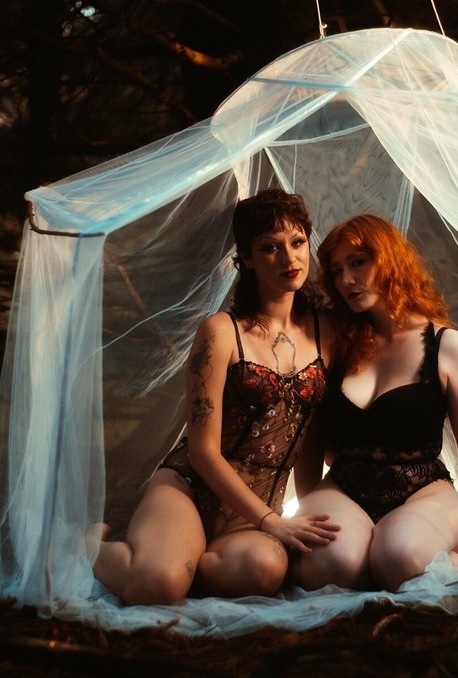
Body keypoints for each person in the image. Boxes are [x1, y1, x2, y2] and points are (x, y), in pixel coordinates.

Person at [92, 188, 340, 605]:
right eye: (270, 247)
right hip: (191, 489)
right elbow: (203, 451)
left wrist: (309, 514)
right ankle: (90, 547)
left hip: (253, 513)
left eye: (298, 242)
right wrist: (270, 521)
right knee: (158, 586)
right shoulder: (221, 332)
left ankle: (182, 558)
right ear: (246, 258)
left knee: (264, 571)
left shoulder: (326, 332)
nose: (289, 258)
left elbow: (310, 435)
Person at [290, 214, 458, 593]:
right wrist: (310, 510)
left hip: (423, 491)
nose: (345, 280)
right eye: (337, 270)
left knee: (400, 559)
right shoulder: (333, 345)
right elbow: (309, 443)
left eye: (357, 263)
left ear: (390, 259)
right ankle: (370, 553)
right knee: (328, 566)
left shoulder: (447, 346)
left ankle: (449, 555)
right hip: (343, 488)